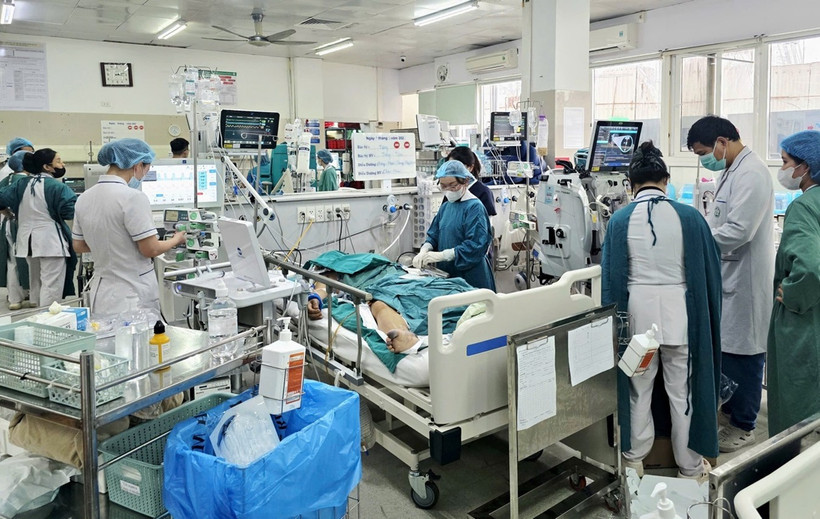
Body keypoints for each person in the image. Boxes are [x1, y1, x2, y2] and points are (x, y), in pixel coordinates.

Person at [602, 141, 722, 482]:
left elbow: (611, 279)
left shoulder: (620, 220)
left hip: (637, 320)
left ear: (631, 184)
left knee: (638, 390)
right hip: (680, 317)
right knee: (683, 393)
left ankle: (633, 462)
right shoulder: (690, 217)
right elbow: (709, 270)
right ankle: (690, 469)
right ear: (666, 180)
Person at [687, 116, 774, 452]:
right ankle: (731, 412)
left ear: (722, 143)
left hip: (746, 281)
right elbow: (718, 219)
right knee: (729, 352)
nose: (703, 160)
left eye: (703, 153)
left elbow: (739, 230)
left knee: (746, 353)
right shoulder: (731, 170)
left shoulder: (752, 173)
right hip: (729, 273)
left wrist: (696, 243)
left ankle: (745, 425)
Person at [72, 139, 186, 316]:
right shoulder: (133, 197)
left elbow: (79, 245)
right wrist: (177, 239)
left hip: (101, 293)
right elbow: (151, 249)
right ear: (138, 165)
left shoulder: (84, 198)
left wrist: (114, 246)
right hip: (132, 294)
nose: (143, 175)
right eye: (147, 169)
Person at [767, 130, 820, 436]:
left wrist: (792, 293)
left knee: (796, 408)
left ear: (806, 167)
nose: (783, 168)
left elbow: (810, 268)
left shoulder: (803, 207)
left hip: (804, 322)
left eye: (786, 161)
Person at [0, 149, 77, 307]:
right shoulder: (57, 187)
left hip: (26, 241)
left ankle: (37, 313)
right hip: (51, 241)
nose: (62, 164)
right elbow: (69, 212)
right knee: (51, 284)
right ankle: (49, 317)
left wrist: (7, 213)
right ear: (47, 167)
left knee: (35, 281)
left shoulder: (21, 184)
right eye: (58, 161)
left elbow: (1, 198)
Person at [413, 161, 495, 291]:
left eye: (453, 185)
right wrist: (424, 250)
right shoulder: (446, 207)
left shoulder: (475, 207)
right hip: (447, 272)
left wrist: (443, 255)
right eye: (444, 186)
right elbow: (434, 235)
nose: (448, 190)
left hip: (471, 274)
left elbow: (476, 245)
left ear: (466, 181)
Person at [0, 151, 30, 310]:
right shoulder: (26, 181)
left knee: (11, 262)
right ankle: (33, 296)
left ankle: (14, 299)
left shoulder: (6, 180)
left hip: (8, 223)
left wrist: (8, 215)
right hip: (23, 223)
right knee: (29, 261)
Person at [444, 146, 496, 217]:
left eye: (458, 167)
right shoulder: (450, 191)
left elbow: (486, 221)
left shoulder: (483, 192)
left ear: (470, 167)